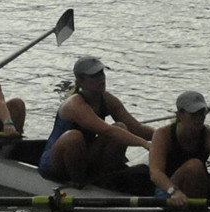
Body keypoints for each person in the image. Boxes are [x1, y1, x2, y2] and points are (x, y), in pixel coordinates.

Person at [39, 55, 154, 185]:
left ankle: (106, 179)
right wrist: (145, 144)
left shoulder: (107, 99)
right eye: (94, 76)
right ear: (80, 81)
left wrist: (166, 136)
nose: (101, 79)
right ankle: (79, 184)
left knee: (121, 127)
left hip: (84, 157)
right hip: (55, 164)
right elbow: (108, 131)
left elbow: (136, 128)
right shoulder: (75, 105)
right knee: (74, 137)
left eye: (101, 73)